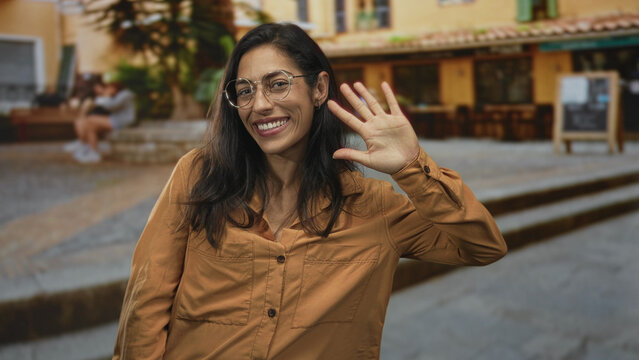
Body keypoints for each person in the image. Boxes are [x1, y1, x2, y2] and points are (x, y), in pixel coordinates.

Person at [113, 23, 506, 359]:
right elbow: (146, 302)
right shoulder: (198, 175)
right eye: (245, 90)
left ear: (319, 89)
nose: (260, 104)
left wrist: (412, 166)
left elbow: (483, 246)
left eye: (278, 84)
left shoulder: (376, 208)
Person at [66, 72, 135, 163]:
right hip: (115, 119)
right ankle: (89, 149)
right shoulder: (114, 96)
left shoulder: (126, 94)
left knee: (90, 120)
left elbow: (113, 105)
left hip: (123, 120)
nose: (107, 89)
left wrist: (102, 96)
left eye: (109, 87)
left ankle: (87, 147)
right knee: (88, 124)